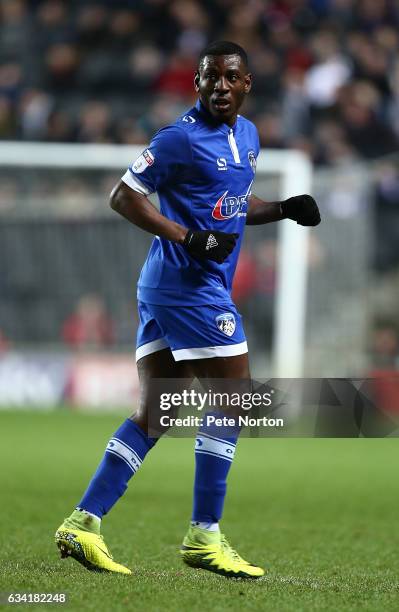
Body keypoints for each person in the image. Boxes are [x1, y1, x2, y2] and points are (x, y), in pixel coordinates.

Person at [55, 40, 320, 579]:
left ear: (247, 84)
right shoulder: (179, 138)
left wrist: (284, 209)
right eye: (209, 77)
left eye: (230, 77)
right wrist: (187, 238)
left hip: (169, 286)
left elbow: (231, 209)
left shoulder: (246, 136)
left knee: (157, 412)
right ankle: (205, 535)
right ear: (195, 83)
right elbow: (124, 195)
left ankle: (83, 523)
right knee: (235, 400)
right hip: (188, 285)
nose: (219, 86)